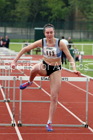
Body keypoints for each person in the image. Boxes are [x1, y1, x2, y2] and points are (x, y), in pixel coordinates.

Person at [11, 23, 81, 132]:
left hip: (56, 70)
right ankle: (30, 82)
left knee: (54, 97)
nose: (49, 34)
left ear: (54, 33)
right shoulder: (42, 42)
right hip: (44, 66)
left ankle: (49, 122)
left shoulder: (60, 43)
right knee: (33, 69)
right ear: (44, 33)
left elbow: (70, 57)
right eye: (47, 33)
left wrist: (74, 69)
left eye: (51, 32)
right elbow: (25, 49)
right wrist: (14, 61)